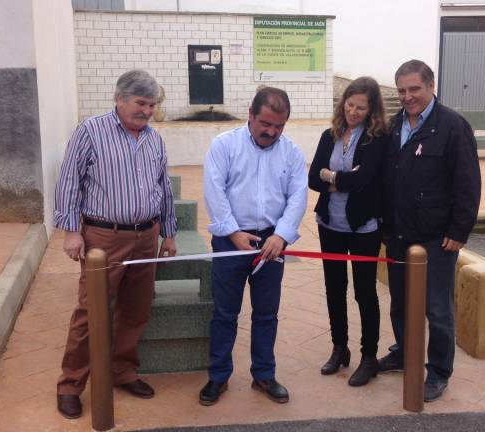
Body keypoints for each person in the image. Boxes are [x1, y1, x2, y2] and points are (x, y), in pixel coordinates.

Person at [53, 69, 178, 419]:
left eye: (152, 105)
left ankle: (122, 371)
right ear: (119, 98)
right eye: (141, 103)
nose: (147, 111)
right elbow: (69, 179)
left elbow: (163, 188)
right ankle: (70, 384)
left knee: (136, 308)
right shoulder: (91, 131)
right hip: (104, 237)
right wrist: (71, 231)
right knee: (90, 311)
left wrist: (168, 233)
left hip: (146, 236)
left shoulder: (154, 140)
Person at [199, 87, 307, 406]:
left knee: (267, 313)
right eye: (266, 123)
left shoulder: (292, 153)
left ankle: (264, 374)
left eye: (279, 126)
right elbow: (214, 191)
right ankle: (218, 376)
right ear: (250, 114)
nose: (271, 132)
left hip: (272, 244)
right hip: (230, 240)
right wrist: (233, 233)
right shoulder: (224, 145)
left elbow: (298, 197)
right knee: (224, 313)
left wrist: (281, 235)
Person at [380, 60, 481, 402]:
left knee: (437, 310)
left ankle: (438, 371)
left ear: (431, 86)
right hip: (399, 235)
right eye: (402, 91)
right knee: (400, 304)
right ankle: (404, 354)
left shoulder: (453, 126)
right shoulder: (394, 125)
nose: (407, 96)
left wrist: (460, 229)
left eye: (414, 89)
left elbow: (468, 182)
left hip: (436, 238)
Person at [308, 77, 390, 386]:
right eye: (350, 104)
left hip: (363, 227)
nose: (353, 112)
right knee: (334, 287)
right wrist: (342, 178)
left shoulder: (376, 139)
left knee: (364, 292)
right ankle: (339, 347)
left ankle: (369, 357)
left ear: (372, 110)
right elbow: (312, 180)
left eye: (361, 108)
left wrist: (331, 176)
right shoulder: (329, 135)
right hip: (330, 224)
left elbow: (364, 179)